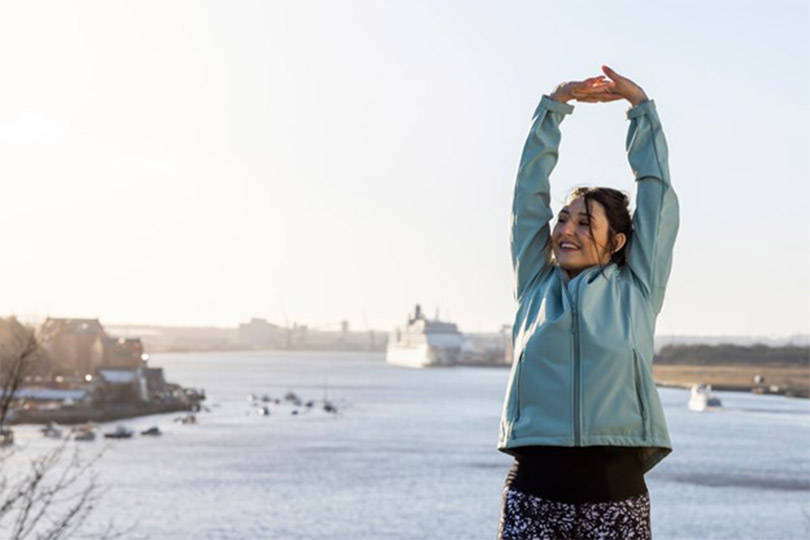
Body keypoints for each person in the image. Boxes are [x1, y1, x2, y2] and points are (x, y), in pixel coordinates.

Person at [496, 65, 679, 540]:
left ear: (616, 241)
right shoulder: (535, 284)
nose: (565, 231)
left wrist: (641, 109)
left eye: (583, 223)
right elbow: (525, 197)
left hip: (615, 493)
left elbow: (656, 195)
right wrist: (553, 110)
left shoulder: (636, 288)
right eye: (563, 219)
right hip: (535, 491)